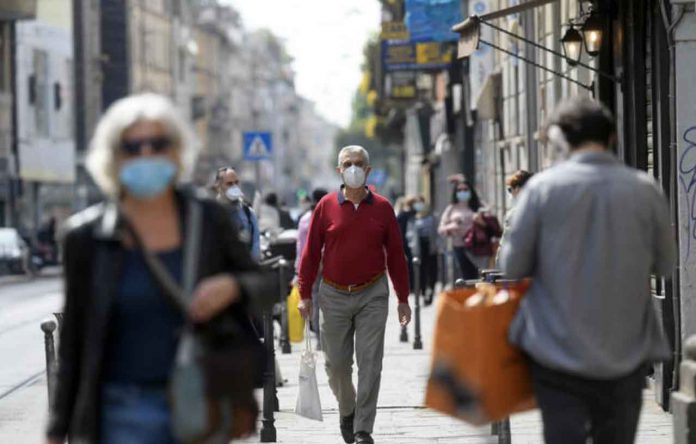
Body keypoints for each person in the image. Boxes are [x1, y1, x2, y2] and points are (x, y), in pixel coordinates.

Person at [45, 93, 274, 444]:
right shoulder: (86, 238)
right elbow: (75, 339)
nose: (146, 154)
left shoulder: (208, 220)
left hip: (201, 402)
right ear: (113, 158)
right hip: (120, 413)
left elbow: (266, 285)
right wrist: (57, 430)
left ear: (177, 151)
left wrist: (232, 286)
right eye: (132, 146)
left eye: (158, 143)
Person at [500, 97, 675, 444]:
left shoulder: (540, 191)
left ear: (560, 141)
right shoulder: (644, 189)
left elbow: (512, 265)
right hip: (625, 353)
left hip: (555, 352)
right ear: (612, 138)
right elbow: (666, 265)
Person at [297, 145, 411, 444]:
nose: (353, 168)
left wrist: (403, 298)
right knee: (335, 365)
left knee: (370, 362)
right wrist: (304, 293)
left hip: (372, 292)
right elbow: (310, 255)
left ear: (369, 170)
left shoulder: (383, 208)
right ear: (339, 170)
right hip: (333, 294)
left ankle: (362, 428)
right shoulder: (325, 206)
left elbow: (397, 255)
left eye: (359, 164)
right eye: (347, 164)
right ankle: (347, 409)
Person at [295, 188, 328, 344]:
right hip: (329, 266)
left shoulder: (305, 219)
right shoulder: (329, 215)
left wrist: (300, 268)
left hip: (311, 266)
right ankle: (325, 337)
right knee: (330, 300)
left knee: (313, 300)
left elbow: (301, 247)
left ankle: (320, 338)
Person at [438, 179, 486, 279]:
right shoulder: (451, 208)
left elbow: (490, 224)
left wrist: (480, 221)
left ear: (470, 191)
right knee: (464, 276)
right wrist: (452, 226)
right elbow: (441, 229)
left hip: (478, 247)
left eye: (465, 189)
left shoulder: (479, 205)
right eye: (459, 190)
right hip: (459, 246)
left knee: (479, 275)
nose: (462, 192)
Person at [213, 166, 261, 262]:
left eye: (236, 183)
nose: (234, 187)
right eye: (229, 184)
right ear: (219, 186)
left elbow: (256, 246)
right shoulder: (210, 213)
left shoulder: (248, 213)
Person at [407, 196, 439, 305]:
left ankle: (431, 290)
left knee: (432, 271)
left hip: (431, 248)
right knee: (421, 271)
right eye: (417, 203)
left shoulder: (432, 217)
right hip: (419, 249)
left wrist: (438, 245)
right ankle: (424, 292)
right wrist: (412, 246)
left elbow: (437, 232)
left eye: (421, 203)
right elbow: (409, 234)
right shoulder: (413, 218)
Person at [496, 170, 533, 265]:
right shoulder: (543, 209)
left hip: (521, 267)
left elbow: (506, 243)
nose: (510, 194)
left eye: (510, 189)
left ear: (518, 189)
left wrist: (498, 265)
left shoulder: (514, 214)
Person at [396, 195, 417, 291]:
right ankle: (410, 286)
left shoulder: (415, 214)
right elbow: (399, 231)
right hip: (406, 244)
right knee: (409, 266)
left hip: (411, 244)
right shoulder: (404, 215)